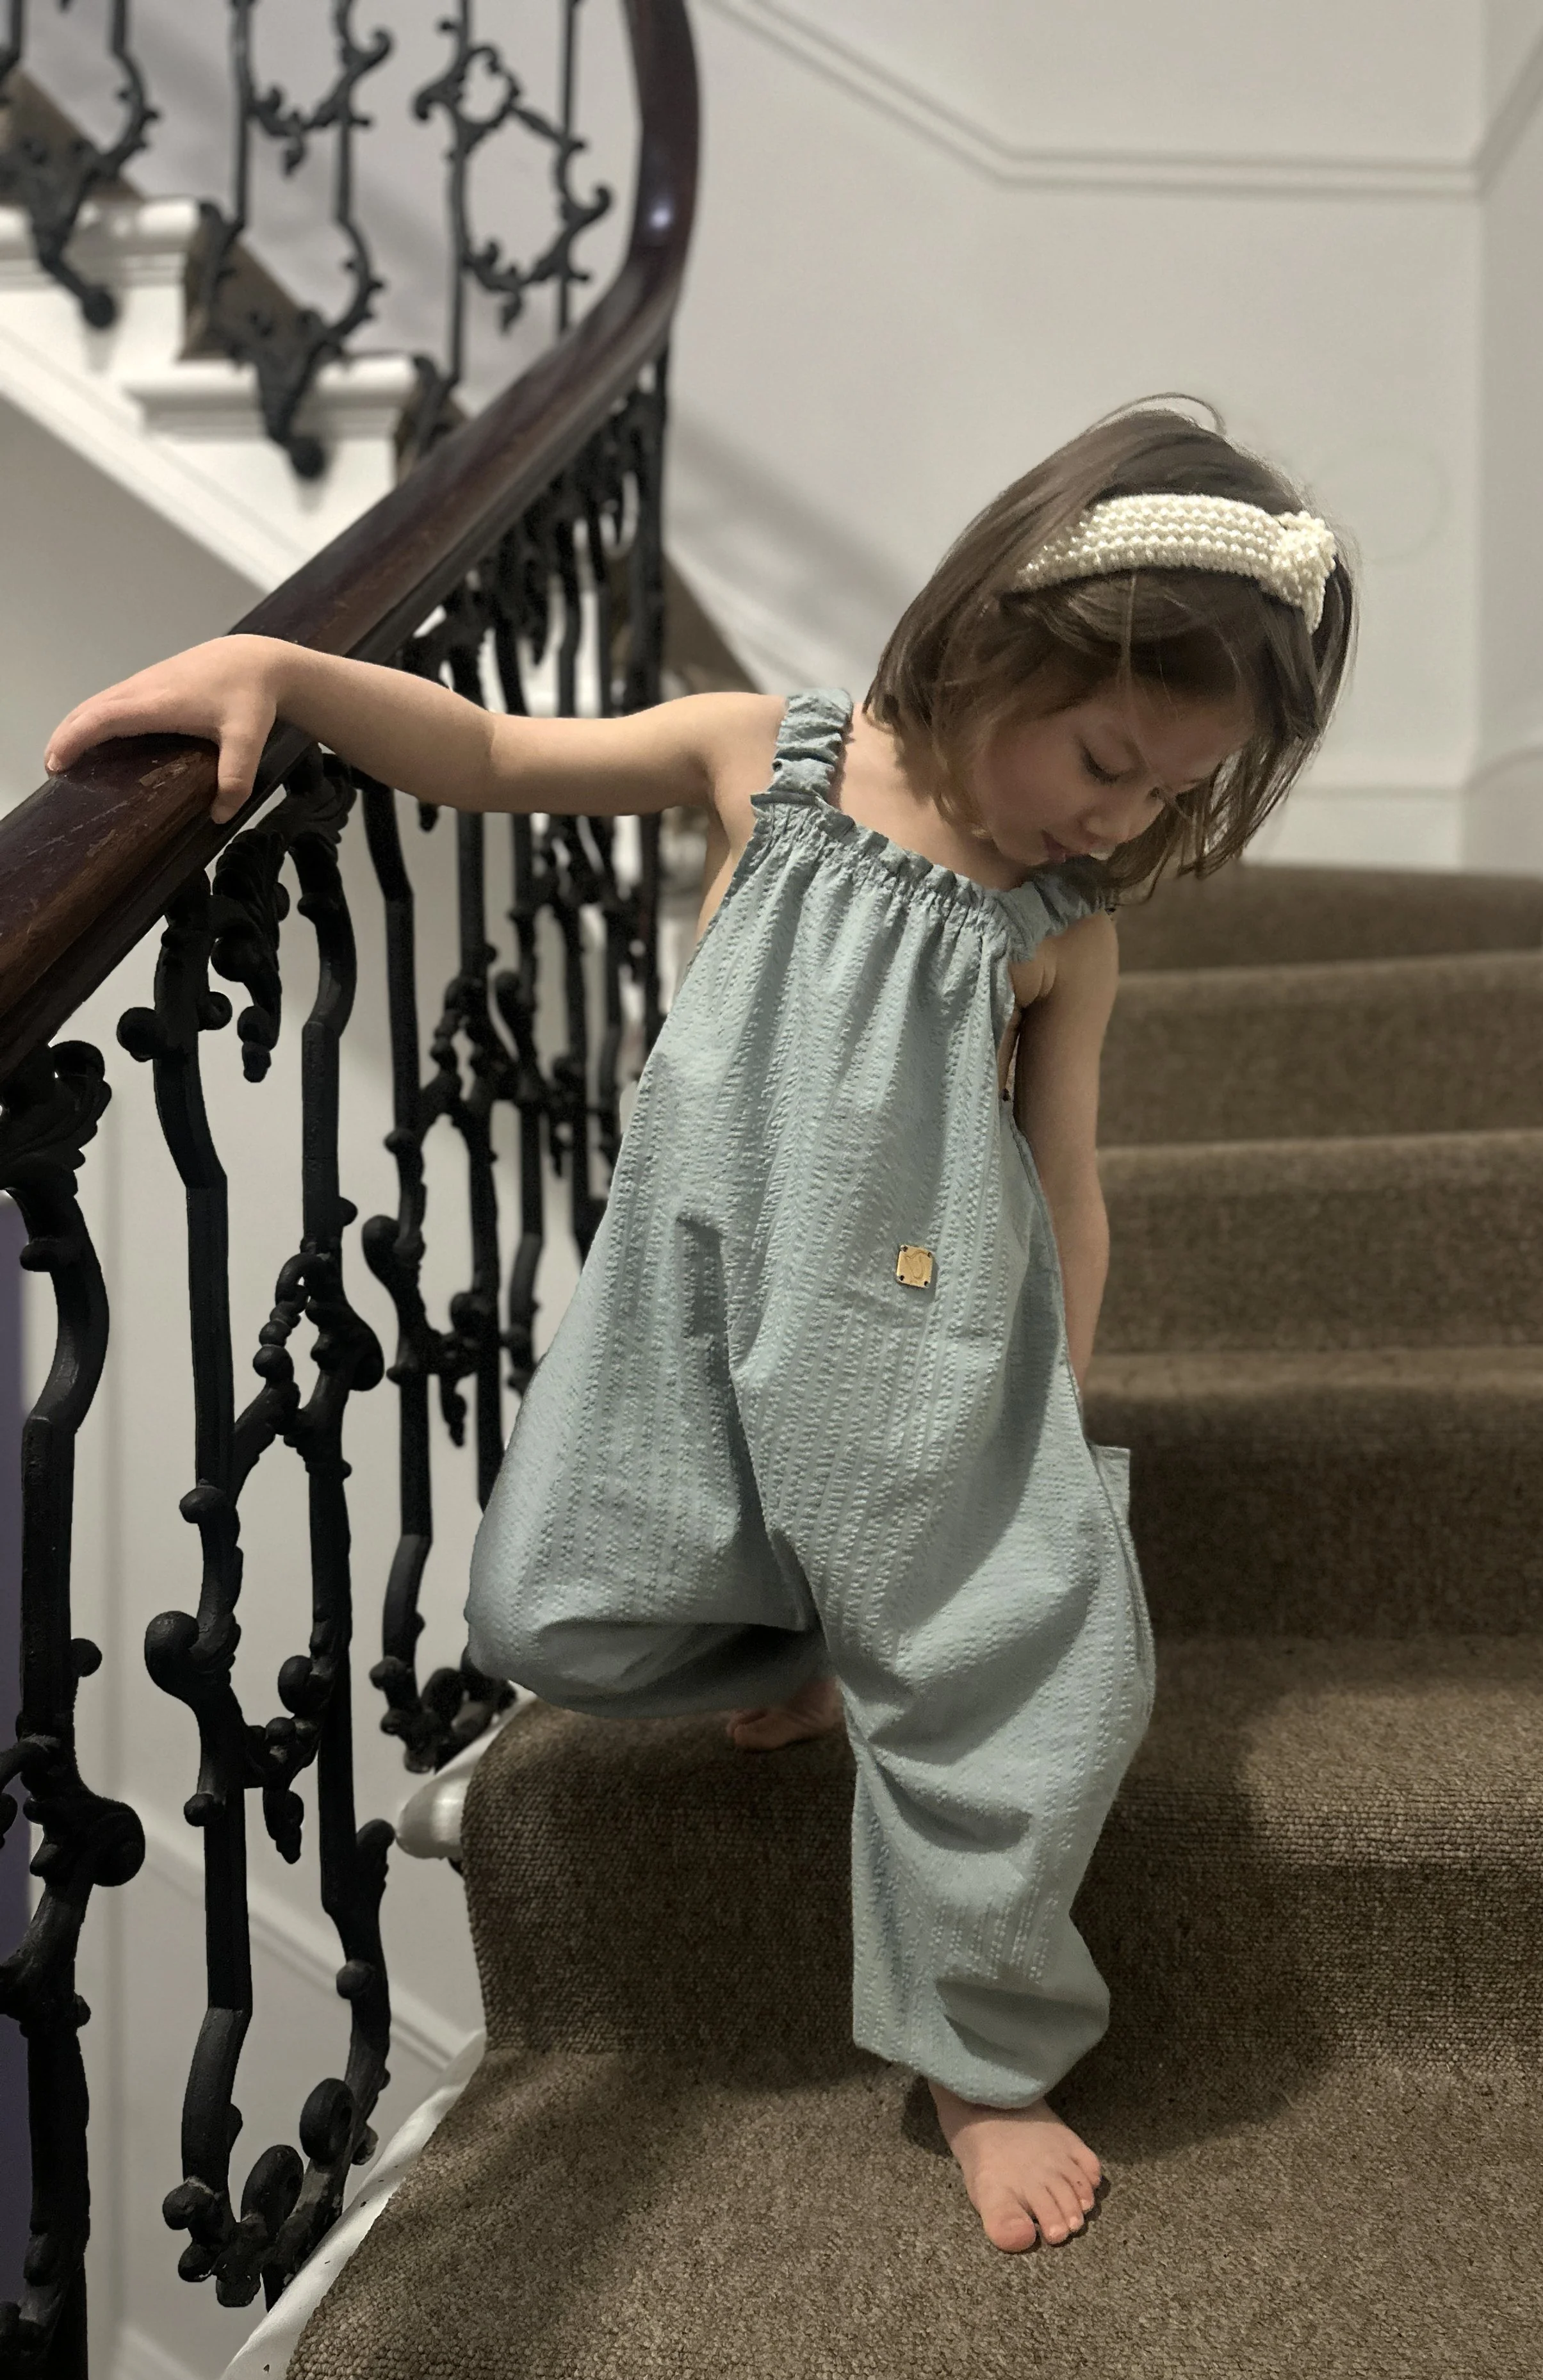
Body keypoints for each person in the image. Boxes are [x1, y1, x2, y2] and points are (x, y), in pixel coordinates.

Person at [44, 402, 1355, 2256]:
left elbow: (1064, 1180)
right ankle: (801, 1641)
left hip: (937, 1361)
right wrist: (283, 668)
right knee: (545, 1616)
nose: (1116, 814)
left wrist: (1054, 1385)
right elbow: (495, 748)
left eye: (1163, 795)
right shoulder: (768, 759)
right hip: (702, 1331)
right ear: (993, 636)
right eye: (1106, 756)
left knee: (1028, 1710)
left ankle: (980, 2060)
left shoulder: (1062, 929)